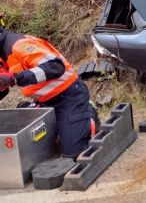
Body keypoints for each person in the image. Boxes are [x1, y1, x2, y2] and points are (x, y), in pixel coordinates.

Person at [0, 26, 99, 159]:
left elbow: (55, 66)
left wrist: (15, 78)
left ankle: (88, 112)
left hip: (69, 95)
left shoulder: (20, 45)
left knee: (73, 152)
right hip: (43, 101)